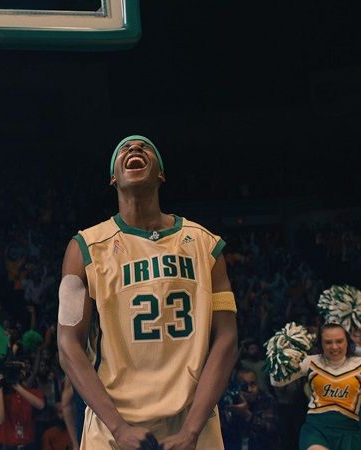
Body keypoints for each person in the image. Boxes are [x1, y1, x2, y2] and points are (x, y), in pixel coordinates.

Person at [57, 135, 239, 450]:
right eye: (125, 148)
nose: (135, 148)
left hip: (192, 423)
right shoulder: (83, 248)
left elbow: (227, 338)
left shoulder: (206, 245)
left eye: (145, 147)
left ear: (161, 174)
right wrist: (118, 427)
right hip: (113, 426)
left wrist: (191, 431)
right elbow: (67, 344)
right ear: (113, 178)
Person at [270, 323, 361, 450]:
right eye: (328, 342)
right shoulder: (310, 362)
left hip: (349, 433)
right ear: (321, 344)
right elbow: (277, 381)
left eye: (339, 341)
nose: (334, 347)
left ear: (347, 341)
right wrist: (280, 354)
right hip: (317, 429)